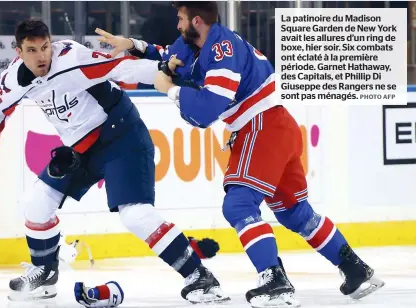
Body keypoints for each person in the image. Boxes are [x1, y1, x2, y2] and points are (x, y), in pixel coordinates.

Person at [95, 2, 385, 307]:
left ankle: (274, 280)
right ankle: (356, 269)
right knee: (293, 211)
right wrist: (132, 45)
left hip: (262, 127)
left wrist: (170, 89)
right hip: (275, 126)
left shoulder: (223, 51)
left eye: (180, 18)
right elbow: (169, 54)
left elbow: (206, 112)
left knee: (239, 204)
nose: (176, 24)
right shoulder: (196, 40)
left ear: (197, 20)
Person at [0, 19, 230, 305]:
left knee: (134, 214)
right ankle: (45, 273)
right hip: (80, 148)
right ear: (19, 52)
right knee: (36, 202)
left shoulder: (71, 58)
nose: (42, 56)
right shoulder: (13, 78)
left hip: (121, 135)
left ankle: (199, 276)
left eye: (45, 47)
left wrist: (164, 70)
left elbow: (119, 67)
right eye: (32, 50)